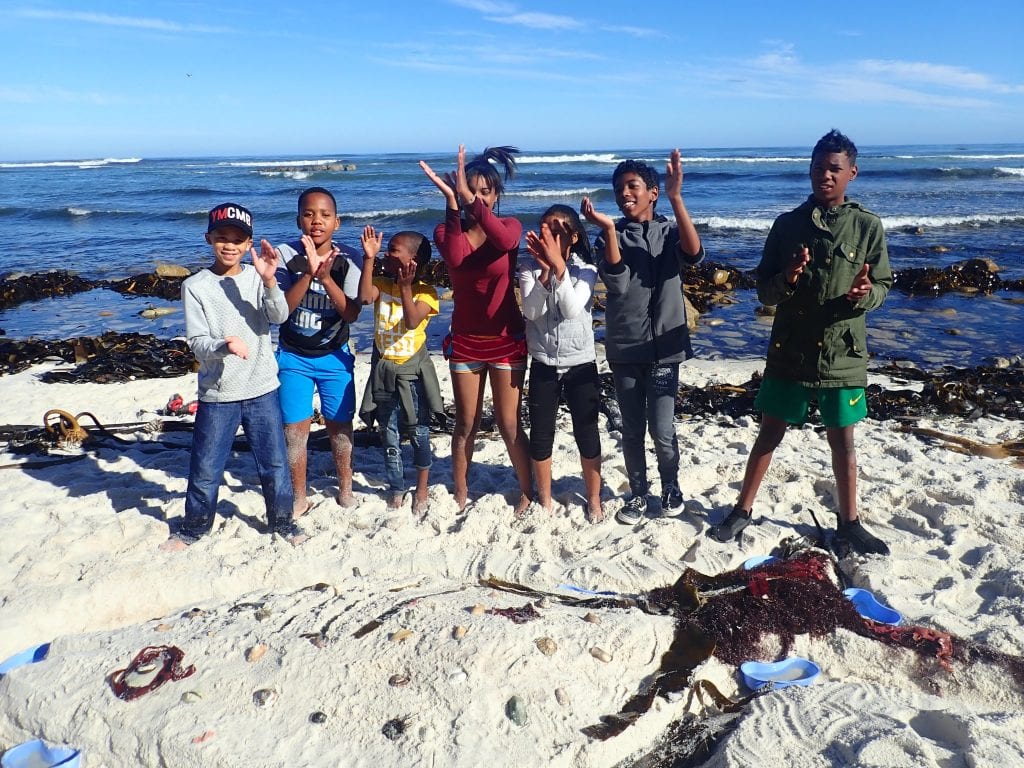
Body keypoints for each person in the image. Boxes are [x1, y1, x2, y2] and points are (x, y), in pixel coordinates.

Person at [708, 129, 892, 556]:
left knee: (842, 439)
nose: (824, 175)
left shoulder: (867, 226)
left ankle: (850, 524)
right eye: (818, 167)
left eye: (834, 169)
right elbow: (763, 291)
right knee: (770, 431)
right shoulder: (787, 225)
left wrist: (867, 294)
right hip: (791, 349)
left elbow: (883, 284)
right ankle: (742, 510)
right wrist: (788, 277)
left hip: (843, 352)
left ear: (852, 174)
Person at [165, 202, 299, 549]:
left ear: (248, 243)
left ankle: (283, 523)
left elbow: (279, 316)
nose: (229, 245)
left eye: (237, 240)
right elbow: (197, 342)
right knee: (206, 468)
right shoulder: (196, 286)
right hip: (218, 393)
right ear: (209, 238)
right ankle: (193, 528)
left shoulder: (258, 277)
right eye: (222, 237)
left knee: (274, 464)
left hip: (262, 388)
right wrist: (224, 345)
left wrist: (270, 280)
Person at [581, 150, 704, 526]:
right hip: (625, 347)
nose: (624, 194)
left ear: (652, 192)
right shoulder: (611, 235)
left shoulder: (669, 232)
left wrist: (677, 198)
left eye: (632, 186)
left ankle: (671, 486)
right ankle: (638, 492)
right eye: (619, 189)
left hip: (666, 348)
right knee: (632, 429)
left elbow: (695, 255)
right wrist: (608, 231)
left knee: (663, 430)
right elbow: (615, 282)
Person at [420, 145, 533, 516]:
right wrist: (455, 205)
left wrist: (473, 203)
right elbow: (454, 257)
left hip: (506, 340)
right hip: (466, 342)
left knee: (508, 423)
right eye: (472, 189)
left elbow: (504, 241)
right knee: (465, 423)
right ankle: (461, 491)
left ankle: (527, 490)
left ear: (495, 195)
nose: (477, 196)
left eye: (485, 192)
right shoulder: (445, 229)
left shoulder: (511, 226)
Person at [274, 187, 361, 514]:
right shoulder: (284, 255)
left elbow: (351, 313)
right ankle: (299, 496)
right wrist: (309, 272)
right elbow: (280, 311)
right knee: (295, 429)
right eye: (309, 214)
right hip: (293, 355)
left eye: (325, 215)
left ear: (337, 222)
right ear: (298, 219)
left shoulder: (349, 257)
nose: (316, 221)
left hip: (334, 356)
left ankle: (346, 488)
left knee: (340, 425)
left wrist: (325, 279)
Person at [519, 205, 604, 522]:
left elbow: (570, 309)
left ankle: (594, 498)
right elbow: (531, 311)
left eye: (556, 228)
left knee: (587, 431)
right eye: (543, 226)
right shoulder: (528, 266)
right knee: (541, 433)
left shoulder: (586, 269)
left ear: (573, 235)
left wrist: (559, 267)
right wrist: (545, 272)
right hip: (543, 361)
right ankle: (544, 499)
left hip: (580, 361)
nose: (548, 233)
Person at [357, 226, 444, 517]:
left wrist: (406, 287)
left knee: (418, 431)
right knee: (389, 432)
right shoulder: (382, 283)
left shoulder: (427, 294)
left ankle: (421, 486)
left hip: (412, 374)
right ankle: (396, 485)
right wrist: (368, 259)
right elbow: (365, 298)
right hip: (384, 372)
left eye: (393, 250)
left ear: (412, 261)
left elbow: (410, 322)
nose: (386, 254)